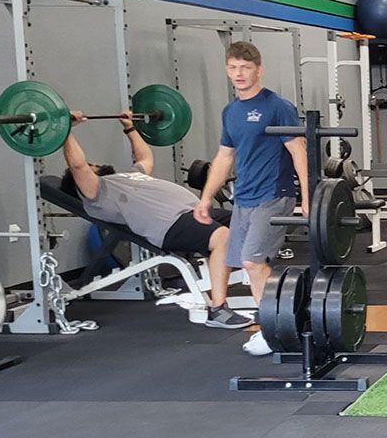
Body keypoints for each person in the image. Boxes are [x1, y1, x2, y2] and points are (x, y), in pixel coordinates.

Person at [59, 111, 252, 329]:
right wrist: (66, 130)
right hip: (170, 225)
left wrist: (129, 127)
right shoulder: (96, 194)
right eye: (91, 165)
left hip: (194, 212)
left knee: (252, 222)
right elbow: (78, 166)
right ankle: (218, 311)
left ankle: (255, 287)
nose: (94, 163)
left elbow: (145, 158)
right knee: (222, 238)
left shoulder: (126, 176)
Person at [193, 41, 309, 356]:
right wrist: (205, 198)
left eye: (245, 67)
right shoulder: (230, 112)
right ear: (227, 70)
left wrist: (307, 197)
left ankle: (279, 326)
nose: (239, 73)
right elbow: (224, 157)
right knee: (249, 266)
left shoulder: (277, 106)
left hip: (274, 194)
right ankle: (273, 326)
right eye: (233, 67)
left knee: (252, 262)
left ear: (259, 70)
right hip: (243, 198)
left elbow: (298, 151)